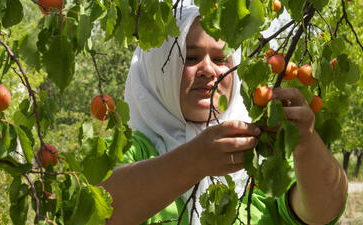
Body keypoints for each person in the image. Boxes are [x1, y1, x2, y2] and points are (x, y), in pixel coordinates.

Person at [100, 6, 348, 225]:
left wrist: (306, 142)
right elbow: (100, 212)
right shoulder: (127, 150)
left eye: (220, 59)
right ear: (158, 69)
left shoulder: (263, 150)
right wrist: (194, 160)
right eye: (190, 57)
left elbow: (322, 214)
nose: (208, 69)